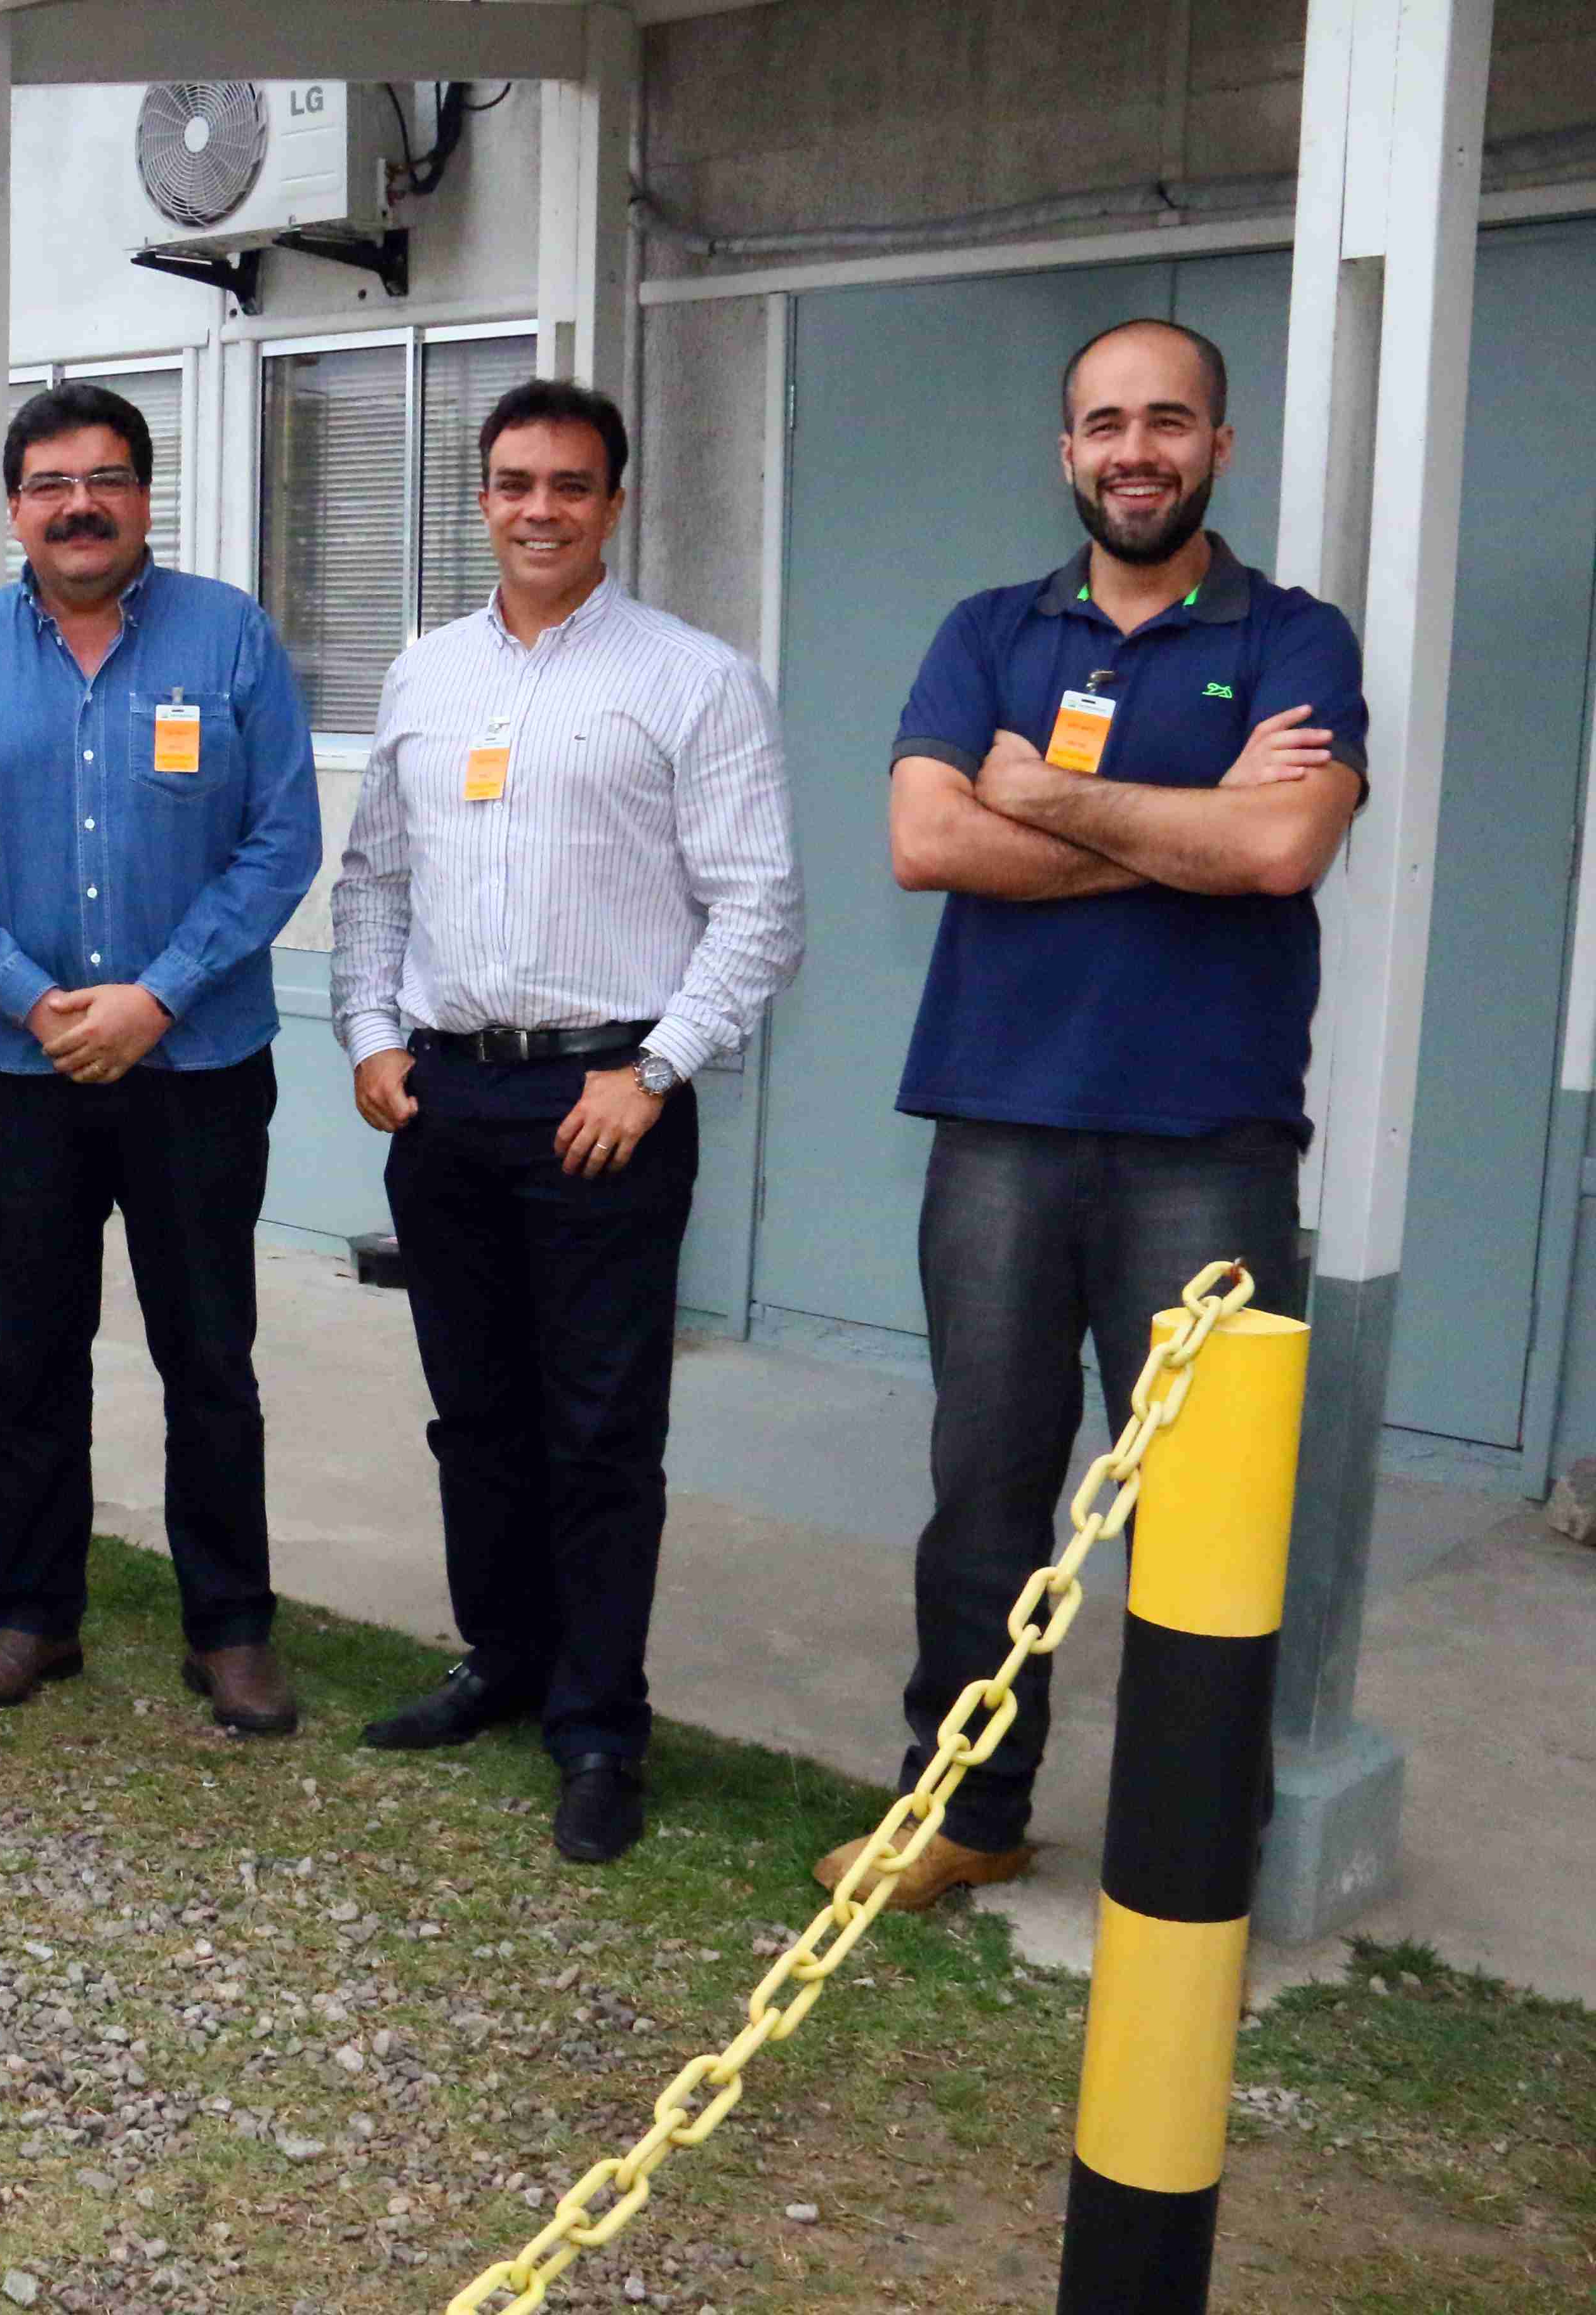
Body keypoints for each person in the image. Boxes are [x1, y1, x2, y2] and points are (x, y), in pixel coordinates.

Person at [816, 318, 1364, 1907]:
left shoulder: (1295, 639)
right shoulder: (990, 629)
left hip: (1212, 1146)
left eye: (1169, 421)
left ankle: (1199, 1849)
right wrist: (1193, 816)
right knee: (985, 1491)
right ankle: (965, 1816)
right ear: (1065, 452)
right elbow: (927, 842)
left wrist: (1044, 796)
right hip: (1000, 1126)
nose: (1137, 449)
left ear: (1218, 448)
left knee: (1208, 1511)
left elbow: (1281, 857)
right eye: (1105, 424)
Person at [333, 377, 802, 1865]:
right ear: (481, 499)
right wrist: (370, 1035)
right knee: (478, 1416)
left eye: (572, 485)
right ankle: (504, 1663)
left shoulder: (694, 680)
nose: (541, 508)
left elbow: (761, 907)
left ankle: (600, 1726)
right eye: (515, 482)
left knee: (600, 1434)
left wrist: (654, 1070)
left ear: (616, 503)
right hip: (449, 1095)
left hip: (607, 1096)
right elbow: (376, 882)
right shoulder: (424, 675)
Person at [0, 382, 320, 1732]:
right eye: (53, 482)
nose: (81, 504)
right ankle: (34, 1617)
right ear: (16, 508)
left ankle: (230, 1630)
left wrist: (157, 999)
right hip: (21, 1076)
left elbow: (281, 841)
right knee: (35, 1350)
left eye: (108, 478)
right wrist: (31, 998)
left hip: (198, 1067)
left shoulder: (230, 640)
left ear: (143, 497)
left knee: (209, 1354)